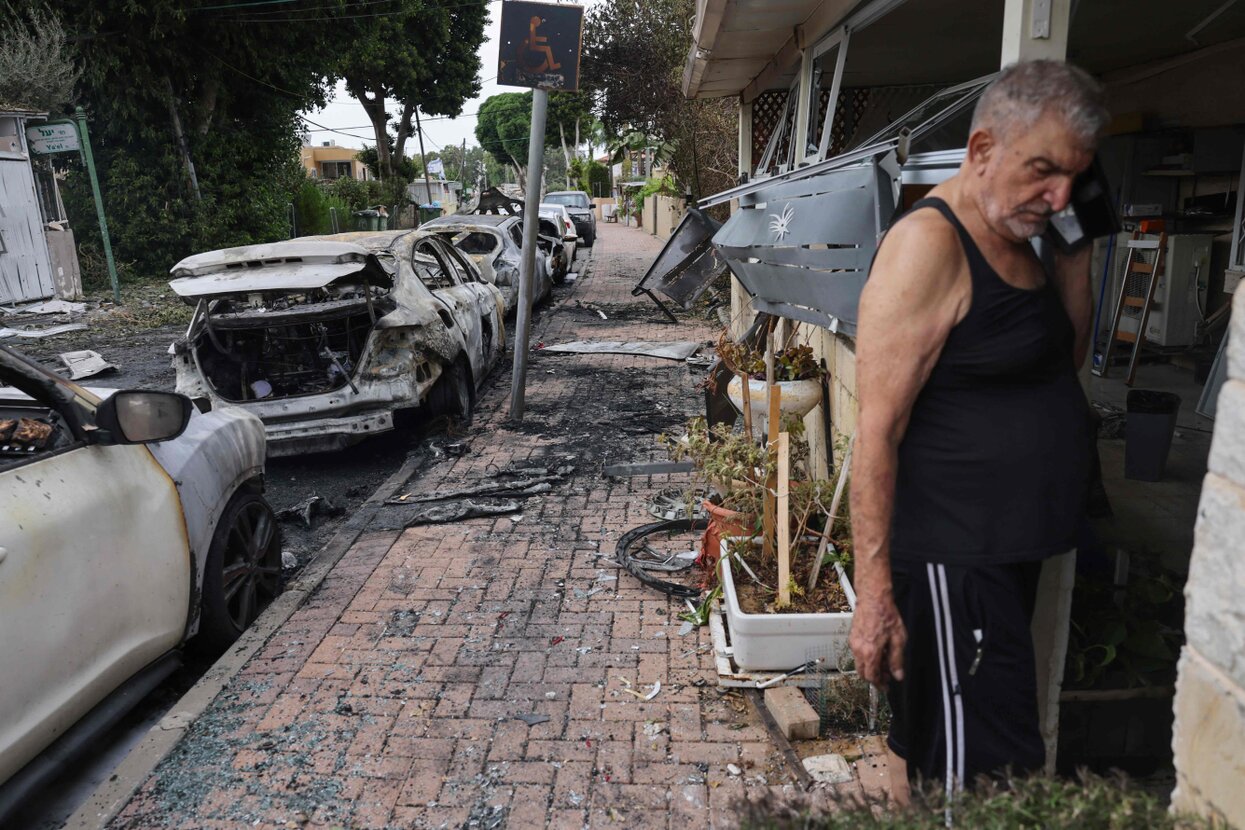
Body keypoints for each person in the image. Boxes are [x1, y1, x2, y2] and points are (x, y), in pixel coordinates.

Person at [848, 60, 1109, 797]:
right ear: (982, 150)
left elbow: (1062, 361)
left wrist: (1075, 246)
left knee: (928, 741)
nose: (1057, 194)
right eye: (1042, 171)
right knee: (987, 775)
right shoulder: (928, 246)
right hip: (951, 559)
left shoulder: (1024, 234)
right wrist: (873, 597)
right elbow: (875, 430)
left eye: (1073, 178)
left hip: (998, 551)